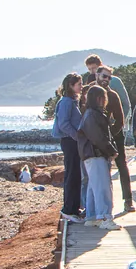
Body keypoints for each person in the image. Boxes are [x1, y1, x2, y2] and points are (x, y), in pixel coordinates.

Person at [91, 63, 135, 214]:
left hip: (115, 136)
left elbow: (120, 120)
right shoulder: (89, 91)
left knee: (122, 166)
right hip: (96, 138)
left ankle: (128, 200)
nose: (106, 80)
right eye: (104, 76)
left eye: (109, 78)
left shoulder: (113, 95)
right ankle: (95, 205)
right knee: (100, 170)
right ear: (97, 75)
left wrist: (110, 135)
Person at [79, 85, 121, 231]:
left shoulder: (90, 114)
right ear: (99, 98)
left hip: (91, 155)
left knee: (93, 186)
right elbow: (98, 137)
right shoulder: (92, 115)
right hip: (96, 154)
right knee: (103, 187)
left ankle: (91, 216)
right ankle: (105, 217)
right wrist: (111, 150)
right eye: (104, 97)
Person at [52, 73, 85, 222]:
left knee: (75, 174)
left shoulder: (72, 101)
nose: (81, 86)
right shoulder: (66, 102)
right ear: (71, 86)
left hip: (72, 141)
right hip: (69, 142)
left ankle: (74, 208)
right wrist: (77, 136)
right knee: (72, 174)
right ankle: (69, 209)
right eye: (79, 84)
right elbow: (63, 124)